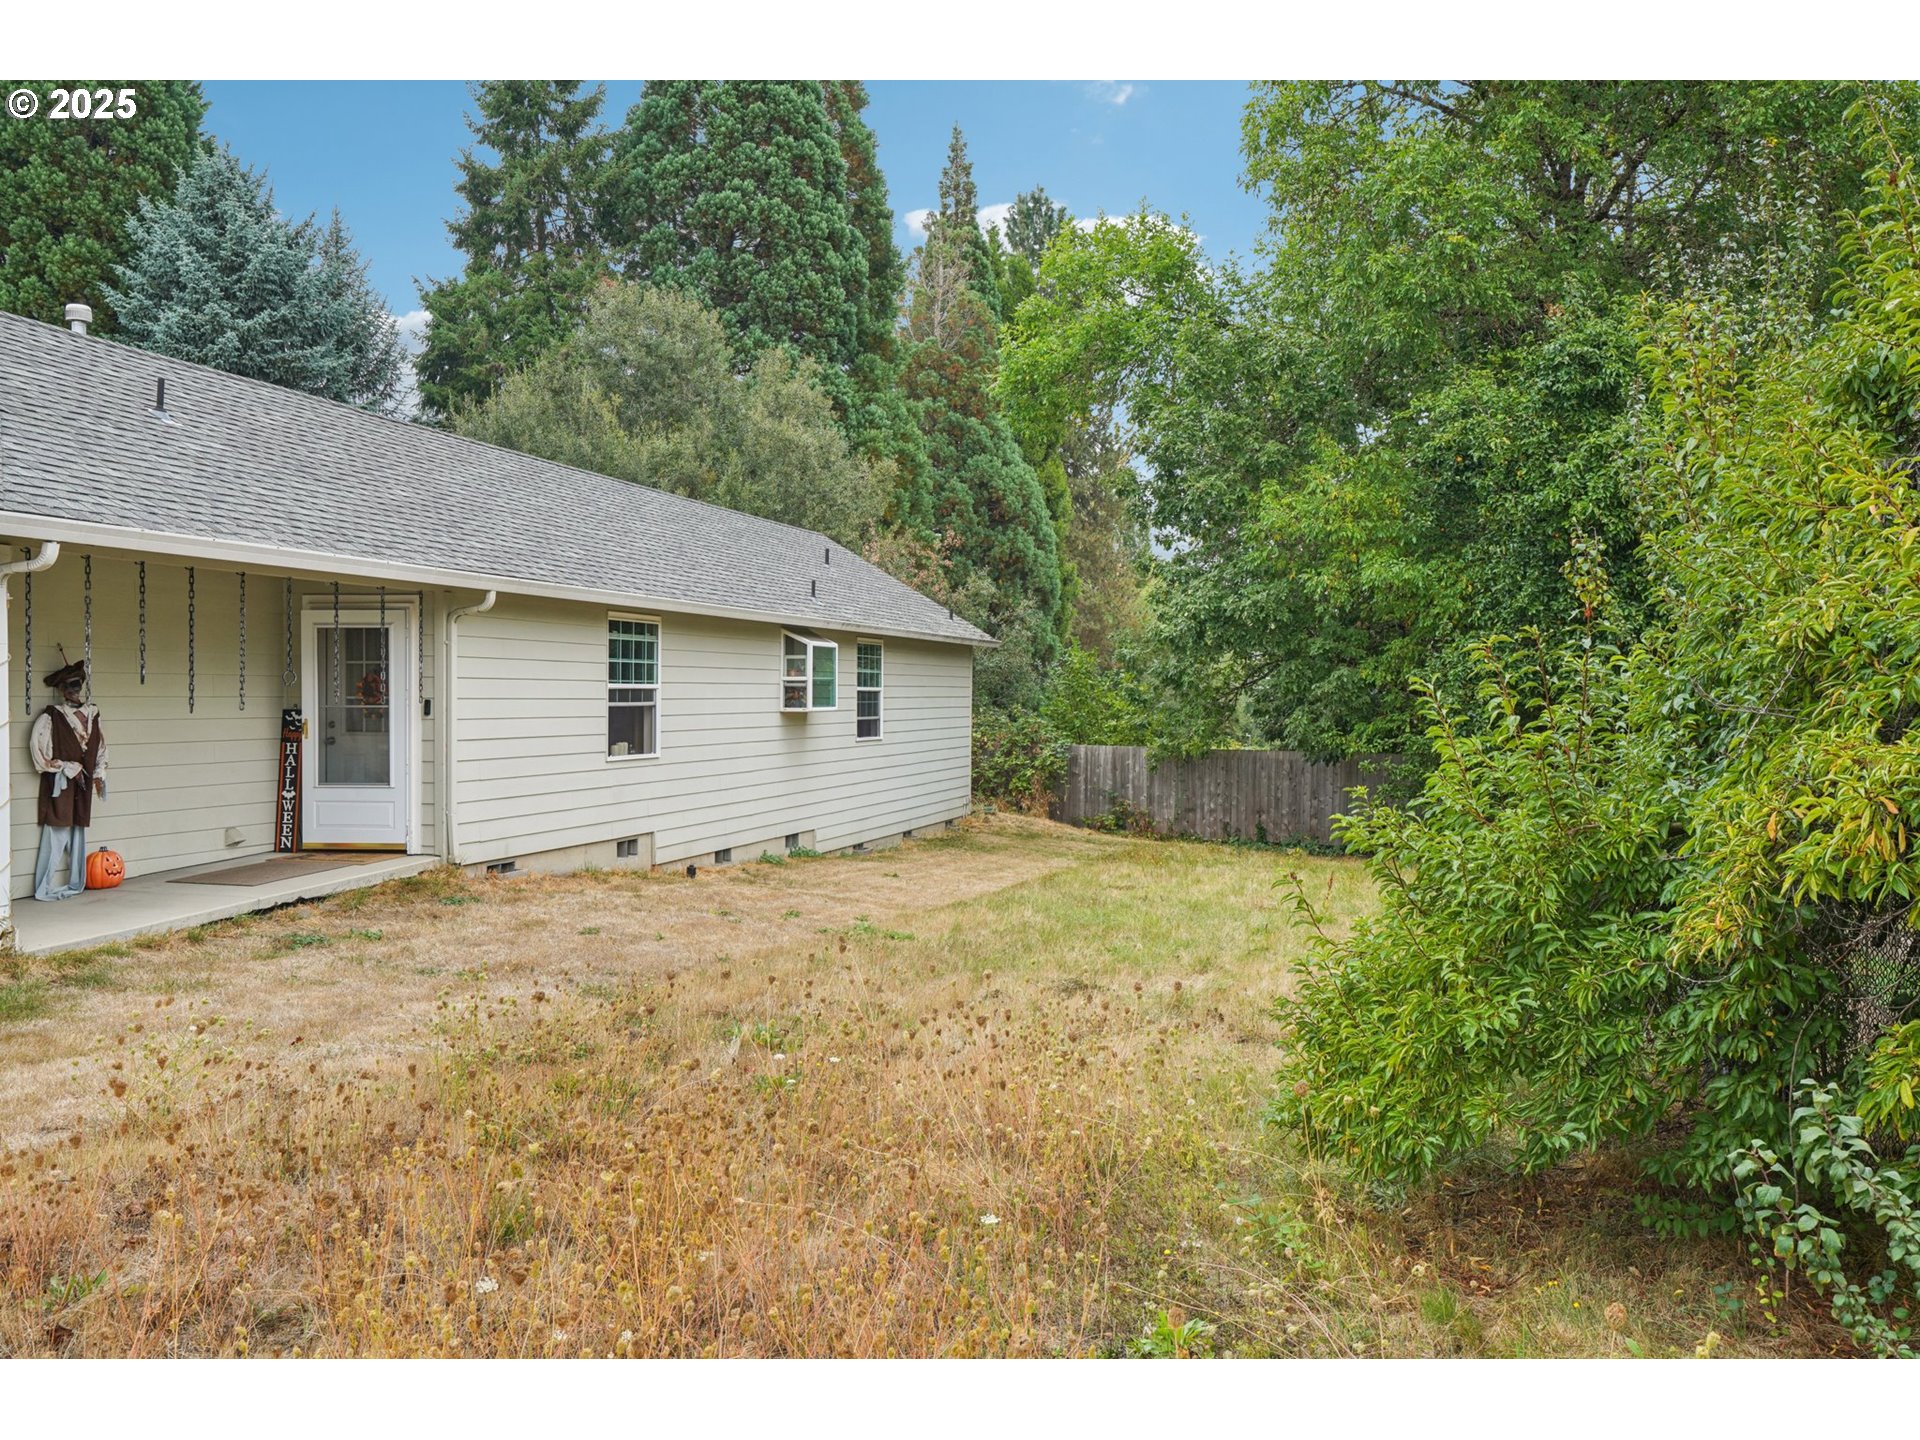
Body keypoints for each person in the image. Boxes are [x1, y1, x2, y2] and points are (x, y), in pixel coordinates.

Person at [32, 658, 108, 902]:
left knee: (78, 831)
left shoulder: (94, 714)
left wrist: (98, 774)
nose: (73, 691)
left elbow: (101, 749)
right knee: (56, 831)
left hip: (83, 785)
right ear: (61, 690)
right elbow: (39, 753)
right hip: (61, 785)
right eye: (68, 687)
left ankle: (76, 882)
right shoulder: (52, 717)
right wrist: (64, 767)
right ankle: (43, 886)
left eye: (76, 685)